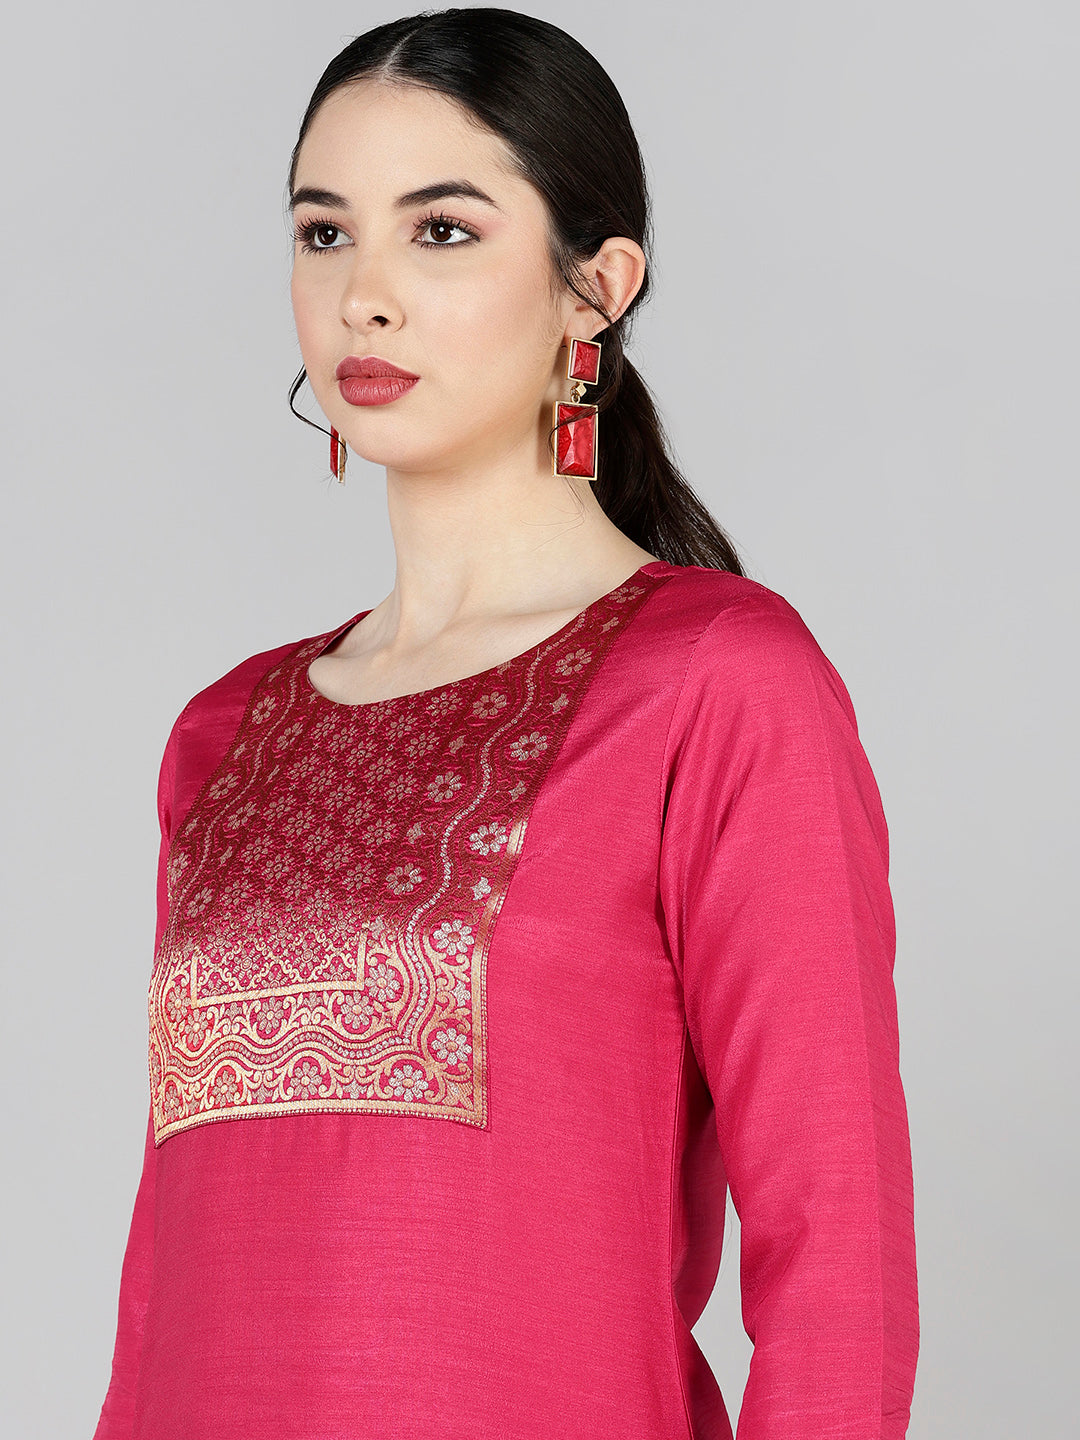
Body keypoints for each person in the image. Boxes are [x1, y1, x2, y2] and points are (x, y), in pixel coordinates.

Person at [92, 9, 919, 1439]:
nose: (364, 295)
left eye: (443, 232)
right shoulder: (224, 736)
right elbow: (164, 1284)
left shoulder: (715, 681)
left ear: (595, 288)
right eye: (325, 233)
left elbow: (836, 1253)